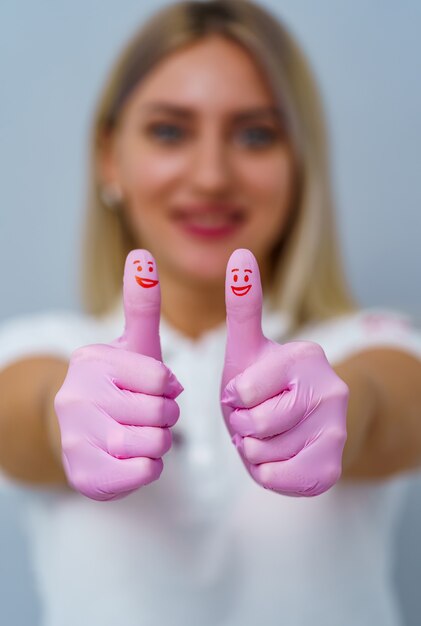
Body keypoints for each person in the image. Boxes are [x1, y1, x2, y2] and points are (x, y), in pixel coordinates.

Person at [0, 1, 420, 625]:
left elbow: (389, 403)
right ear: (109, 156)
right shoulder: (38, 349)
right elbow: (26, 415)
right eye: (170, 131)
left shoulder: (371, 343)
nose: (211, 175)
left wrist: (339, 409)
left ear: (299, 163)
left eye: (255, 134)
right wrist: (64, 411)